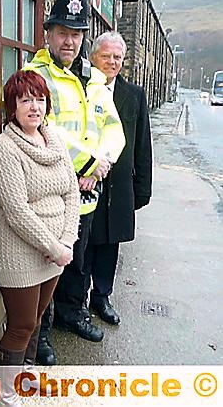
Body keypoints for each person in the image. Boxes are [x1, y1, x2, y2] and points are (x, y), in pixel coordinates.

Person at [22, 0, 125, 364]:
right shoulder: (34, 77)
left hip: (87, 192)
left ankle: (70, 313)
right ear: (48, 33)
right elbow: (42, 127)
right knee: (47, 265)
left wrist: (104, 162)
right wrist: (86, 164)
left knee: (77, 262)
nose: (70, 40)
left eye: (77, 33)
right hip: (50, 194)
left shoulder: (94, 77)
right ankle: (43, 332)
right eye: (63, 32)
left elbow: (113, 128)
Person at [0, 69, 80, 405]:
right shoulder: (4, 148)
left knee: (37, 318)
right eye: (25, 99)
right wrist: (53, 247)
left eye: (39, 99)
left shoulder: (54, 139)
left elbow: (72, 192)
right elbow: (16, 211)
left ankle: (24, 377)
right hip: (20, 253)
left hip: (56, 252)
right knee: (22, 324)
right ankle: (6, 393)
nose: (34, 106)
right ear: (11, 106)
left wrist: (66, 242)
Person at [85, 31, 152, 325]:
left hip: (120, 186)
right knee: (85, 243)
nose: (112, 62)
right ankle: (77, 302)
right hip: (87, 182)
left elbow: (142, 146)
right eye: (106, 56)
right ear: (92, 57)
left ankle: (102, 297)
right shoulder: (81, 89)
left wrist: (142, 188)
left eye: (117, 57)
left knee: (110, 244)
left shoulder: (134, 95)